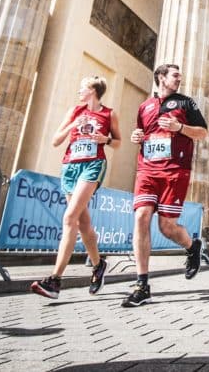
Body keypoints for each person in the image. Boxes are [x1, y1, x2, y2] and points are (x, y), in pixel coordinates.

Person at [121, 63, 208, 307]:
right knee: (141, 217)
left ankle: (192, 247)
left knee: (167, 227)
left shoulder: (186, 103)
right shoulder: (145, 106)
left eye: (180, 75)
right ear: (161, 77)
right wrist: (135, 136)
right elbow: (141, 133)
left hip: (174, 170)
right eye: (175, 75)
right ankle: (142, 284)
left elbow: (202, 133)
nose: (179, 79)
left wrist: (180, 127)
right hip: (148, 169)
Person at [30, 76, 122, 299]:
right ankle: (99, 265)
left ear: (93, 91)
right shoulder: (74, 111)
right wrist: (73, 124)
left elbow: (118, 142)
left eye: (83, 88)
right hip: (70, 166)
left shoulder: (108, 113)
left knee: (69, 218)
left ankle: (55, 280)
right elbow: (55, 141)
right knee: (82, 222)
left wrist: (105, 140)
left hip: (93, 165)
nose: (79, 91)